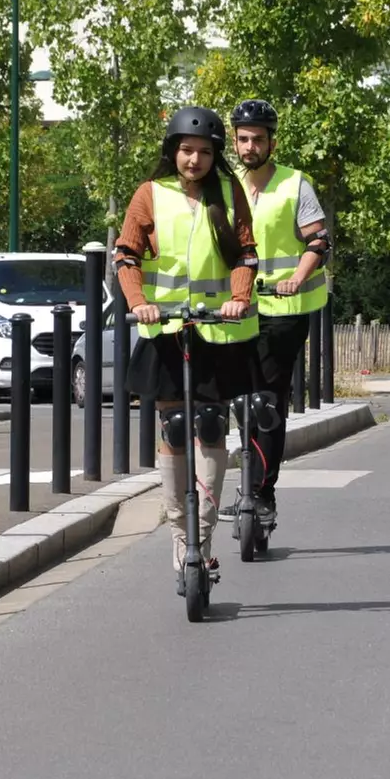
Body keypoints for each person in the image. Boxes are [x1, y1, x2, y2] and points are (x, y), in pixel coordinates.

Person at [114, 106, 260, 594]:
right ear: (172, 152)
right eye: (186, 150)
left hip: (217, 331)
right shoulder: (149, 195)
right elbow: (126, 256)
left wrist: (241, 296)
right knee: (176, 428)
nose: (194, 159)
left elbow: (245, 253)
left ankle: (204, 536)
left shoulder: (228, 193)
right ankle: (181, 538)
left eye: (203, 151)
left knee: (214, 425)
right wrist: (139, 303)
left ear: (215, 155)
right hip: (167, 331)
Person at [230, 98, 330, 525]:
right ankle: (246, 478)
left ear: (272, 142)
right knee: (237, 399)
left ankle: (262, 493)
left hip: (284, 308)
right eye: (243, 139)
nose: (250, 147)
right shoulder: (227, 184)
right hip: (237, 308)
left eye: (257, 140)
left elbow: (318, 242)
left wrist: (297, 277)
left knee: (268, 401)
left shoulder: (295, 185)